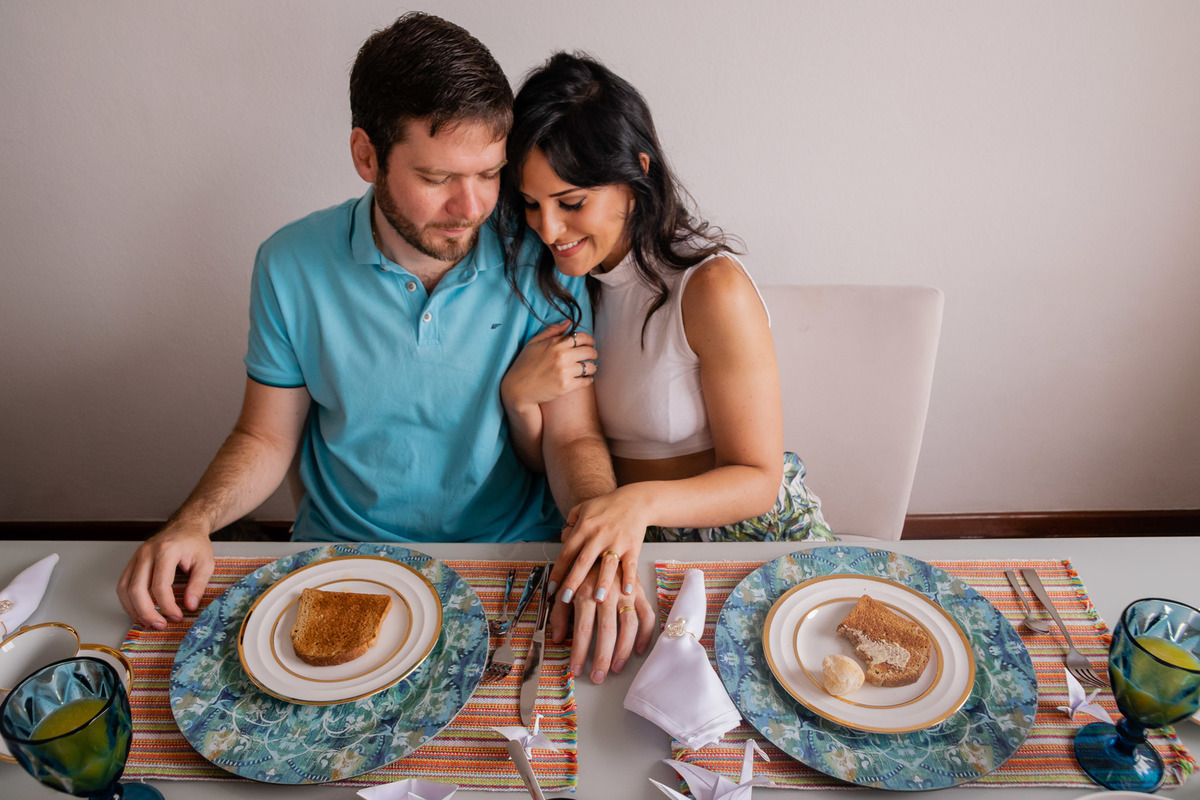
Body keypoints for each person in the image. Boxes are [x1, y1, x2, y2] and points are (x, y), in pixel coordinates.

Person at [116, 15, 654, 684]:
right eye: (437, 179)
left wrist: (600, 544)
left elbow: (573, 441)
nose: (472, 207)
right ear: (366, 156)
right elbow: (264, 435)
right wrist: (192, 522)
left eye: (489, 174)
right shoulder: (289, 264)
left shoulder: (538, 250)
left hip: (507, 563)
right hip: (343, 559)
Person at [498, 52, 835, 616]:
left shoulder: (710, 289)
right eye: (531, 204)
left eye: (571, 202)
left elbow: (757, 477)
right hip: (634, 536)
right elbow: (565, 449)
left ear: (638, 174)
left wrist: (638, 503)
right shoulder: (561, 285)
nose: (548, 229)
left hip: (747, 534)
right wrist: (520, 401)